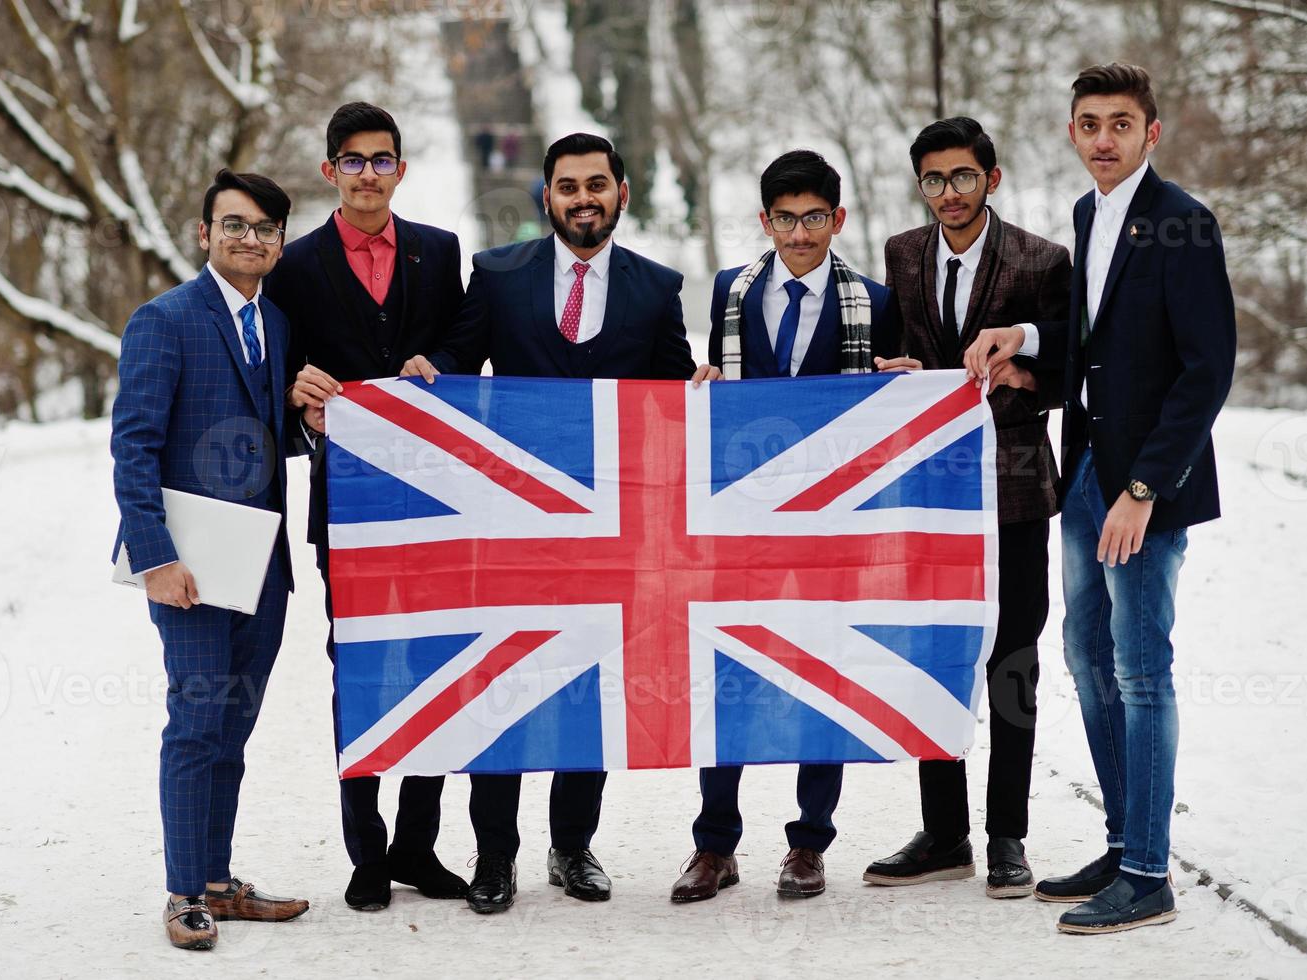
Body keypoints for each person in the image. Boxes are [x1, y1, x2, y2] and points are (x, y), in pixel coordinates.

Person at [403, 132, 719, 913]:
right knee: (503, 683)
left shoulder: (655, 288)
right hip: (511, 522)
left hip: (611, 529)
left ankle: (572, 847)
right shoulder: (499, 276)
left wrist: (703, 388)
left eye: (597, 184)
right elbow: (453, 360)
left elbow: (673, 396)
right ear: (546, 197)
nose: (583, 198)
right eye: (568, 186)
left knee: (588, 686)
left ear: (622, 192)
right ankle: (494, 856)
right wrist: (421, 374)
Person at [964, 63, 1235, 934]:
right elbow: (1097, 332)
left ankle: (1149, 874)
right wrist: (1026, 343)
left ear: (1150, 133)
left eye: (1121, 123)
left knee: (1139, 671)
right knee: (1084, 654)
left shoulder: (1184, 223)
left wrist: (1144, 489)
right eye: (1088, 124)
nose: (1104, 139)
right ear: (1073, 133)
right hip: (1081, 471)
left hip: (1142, 489)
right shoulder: (1091, 213)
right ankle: (1123, 842)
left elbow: (1206, 371)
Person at [670, 149, 903, 904]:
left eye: (813, 218)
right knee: (726, 670)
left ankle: (808, 841)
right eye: (783, 218)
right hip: (740, 516)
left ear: (838, 219)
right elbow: (723, 392)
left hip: (830, 524)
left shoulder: (872, 298)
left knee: (820, 670)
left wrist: (898, 392)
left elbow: (888, 414)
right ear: (763, 220)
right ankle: (714, 843)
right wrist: (705, 383)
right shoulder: (729, 292)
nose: (798, 233)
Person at [264, 101, 468, 912]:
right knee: (360, 670)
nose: (368, 175)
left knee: (435, 665)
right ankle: (367, 850)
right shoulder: (297, 266)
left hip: (441, 502)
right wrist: (294, 394)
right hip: (345, 506)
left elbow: (463, 343)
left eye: (382, 160)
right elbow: (275, 377)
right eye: (352, 161)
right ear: (329, 172)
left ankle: (419, 845)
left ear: (401, 170)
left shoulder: (439, 252)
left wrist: (441, 362)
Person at [863, 117, 1071, 899]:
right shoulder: (901, 255)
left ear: (992, 177)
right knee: (932, 658)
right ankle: (943, 833)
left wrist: (1024, 377)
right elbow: (903, 354)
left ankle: (1006, 835)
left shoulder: (1041, 261)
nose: (947, 193)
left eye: (961, 176)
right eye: (932, 179)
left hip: (1015, 485)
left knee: (1012, 656)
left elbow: (1071, 364)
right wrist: (908, 372)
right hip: (931, 494)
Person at [111, 169, 310, 951]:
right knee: (195, 723)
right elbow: (134, 446)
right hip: (189, 567)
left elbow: (266, 434)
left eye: (265, 229)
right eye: (234, 225)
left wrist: (307, 416)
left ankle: (219, 883)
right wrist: (154, 555)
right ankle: (183, 893)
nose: (250, 239)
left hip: (261, 565)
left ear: (279, 242)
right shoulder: (163, 320)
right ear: (204, 234)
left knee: (233, 728)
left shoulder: (279, 324)